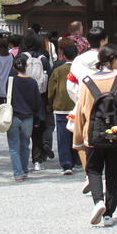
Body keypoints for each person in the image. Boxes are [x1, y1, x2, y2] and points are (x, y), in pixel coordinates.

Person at [71, 43, 117, 226]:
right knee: (113, 173)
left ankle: (98, 201)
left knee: (93, 169)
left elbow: (81, 112)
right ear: (113, 60)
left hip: (93, 135)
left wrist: (78, 139)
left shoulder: (87, 82)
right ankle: (108, 214)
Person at [67, 26, 109, 192]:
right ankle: (102, 174)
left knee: (81, 141)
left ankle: (89, 174)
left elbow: (70, 84)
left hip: (84, 104)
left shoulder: (79, 60)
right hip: (106, 105)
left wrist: (80, 99)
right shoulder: (109, 58)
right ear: (103, 40)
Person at [7, 53, 45, 181]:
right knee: (25, 145)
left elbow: (6, 98)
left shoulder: (11, 81)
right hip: (28, 117)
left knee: (13, 146)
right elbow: (37, 102)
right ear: (27, 65)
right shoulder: (32, 82)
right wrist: (38, 118)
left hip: (13, 116)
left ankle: (18, 173)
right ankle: (24, 170)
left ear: (14, 67)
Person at [20, 32, 53, 170]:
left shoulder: (21, 57)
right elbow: (49, 79)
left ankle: (21, 160)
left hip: (23, 98)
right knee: (38, 129)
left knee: (22, 130)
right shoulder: (43, 59)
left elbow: (13, 77)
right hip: (40, 98)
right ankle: (37, 160)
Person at [48, 40, 79, 175]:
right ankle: (77, 159)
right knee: (76, 134)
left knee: (63, 136)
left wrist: (49, 102)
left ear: (63, 55)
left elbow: (51, 89)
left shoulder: (58, 70)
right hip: (77, 106)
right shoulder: (80, 70)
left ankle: (67, 164)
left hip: (61, 107)